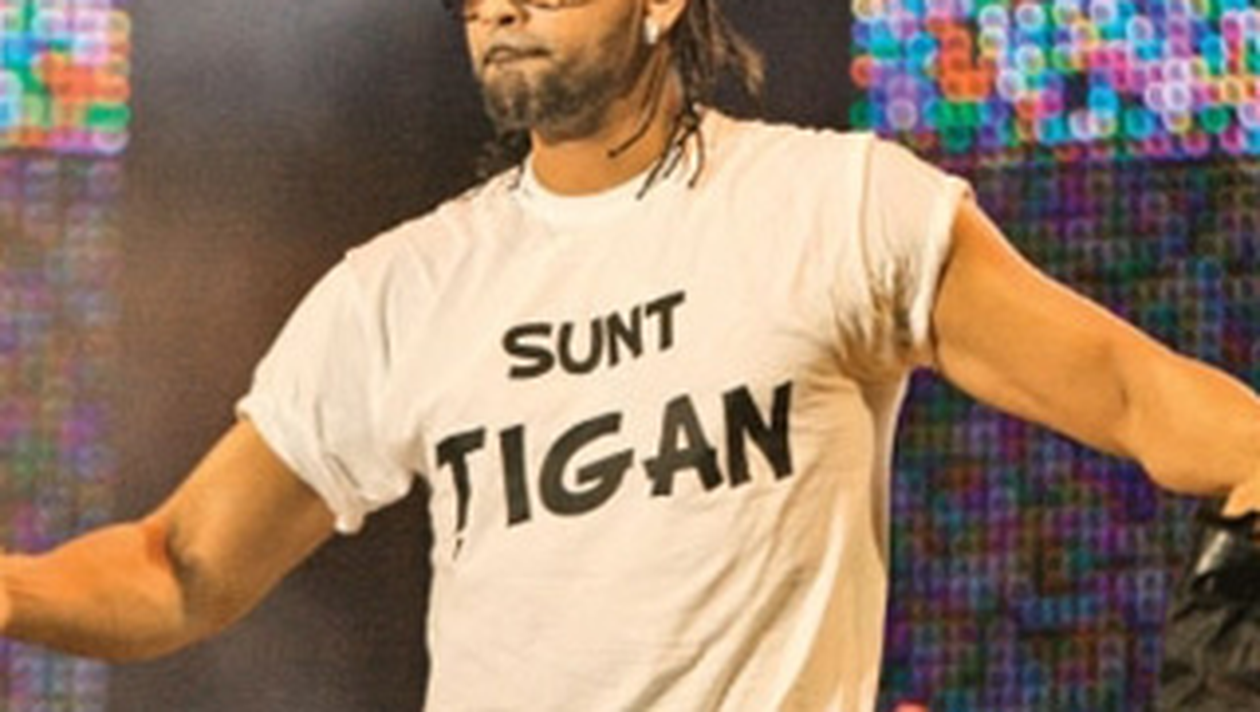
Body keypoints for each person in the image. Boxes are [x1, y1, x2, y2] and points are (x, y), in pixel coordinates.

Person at [1, 0, 1258, 709]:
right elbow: (179, 571)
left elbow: (1159, 408)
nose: (501, 7)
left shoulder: (840, 209)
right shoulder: (402, 289)